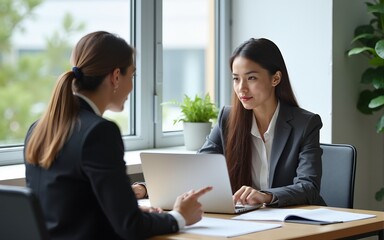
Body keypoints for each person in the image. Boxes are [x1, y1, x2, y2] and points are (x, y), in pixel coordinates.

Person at [24, 31, 212, 240]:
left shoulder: (38, 128)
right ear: (115, 77)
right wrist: (179, 217)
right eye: (131, 76)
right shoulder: (99, 132)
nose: (131, 87)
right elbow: (131, 227)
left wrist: (128, 213)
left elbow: (69, 212)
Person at [198, 38, 326, 208]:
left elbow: (309, 187)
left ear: (275, 78)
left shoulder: (306, 124)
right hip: (245, 220)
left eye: (251, 78)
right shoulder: (227, 118)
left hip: (293, 220)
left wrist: (266, 196)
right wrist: (149, 188)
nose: (241, 88)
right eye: (236, 79)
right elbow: (198, 169)